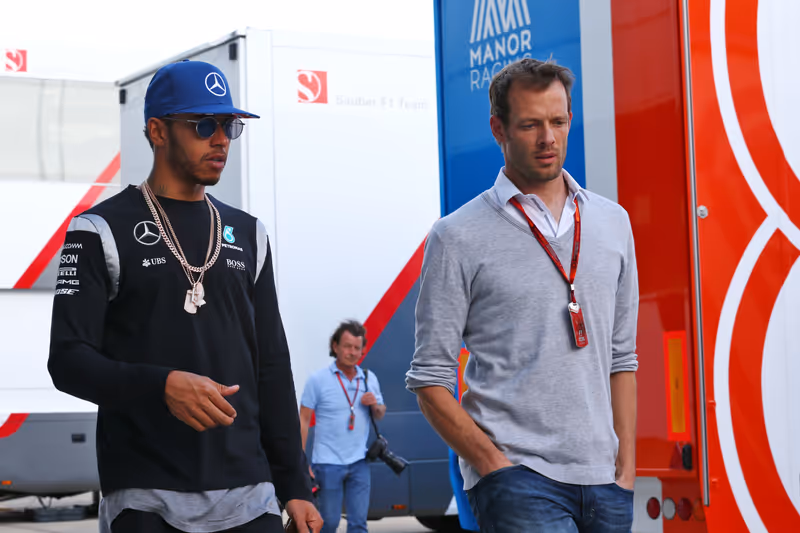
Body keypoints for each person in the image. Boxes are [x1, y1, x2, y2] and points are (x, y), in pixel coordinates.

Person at [48, 60, 322, 533]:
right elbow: (68, 361)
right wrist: (161, 386)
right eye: (203, 125)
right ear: (158, 131)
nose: (221, 140)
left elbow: (273, 366)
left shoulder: (249, 233)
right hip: (146, 494)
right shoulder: (98, 229)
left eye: (228, 126)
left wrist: (295, 485)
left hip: (249, 492)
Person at [406, 58, 639, 533]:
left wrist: (627, 466)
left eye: (558, 121)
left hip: (606, 483)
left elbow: (622, 358)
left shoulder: (613, 223)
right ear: (499, 129)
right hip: (519, 482)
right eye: (530, 125)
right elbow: (430, 378)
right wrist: (492, 465)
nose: (548, 138)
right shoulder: (456, 236)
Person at [299, 321, 386, 533]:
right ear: (335, 346)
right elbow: (303, 420)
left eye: (357, 347)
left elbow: (381, 413)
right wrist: (301, 461)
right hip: (327, 463)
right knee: (328, 523)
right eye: (347, 346)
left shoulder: (368, 378)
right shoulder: (318, 380)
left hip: (359, 461)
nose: (352, 352)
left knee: (359, 524)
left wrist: (374, 405)